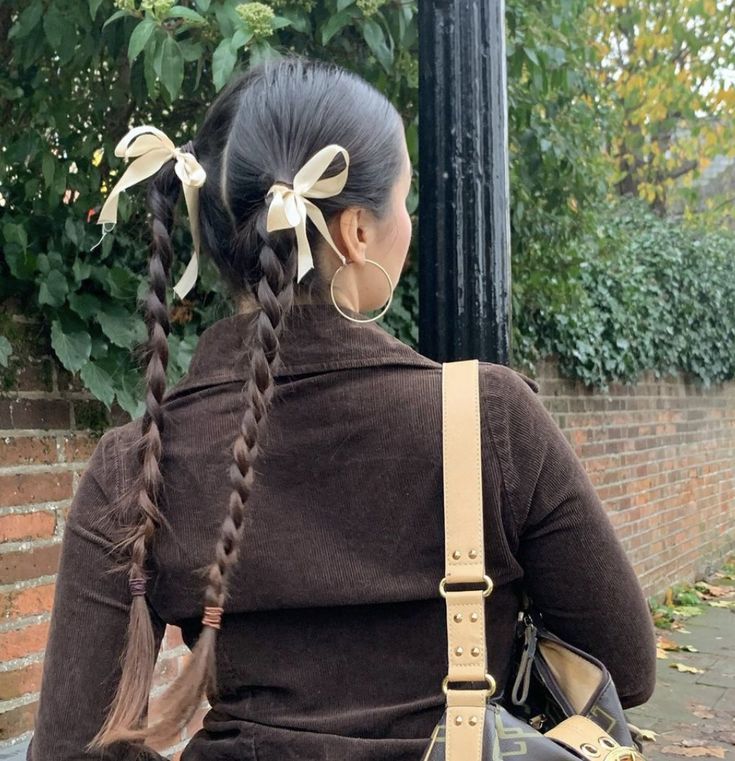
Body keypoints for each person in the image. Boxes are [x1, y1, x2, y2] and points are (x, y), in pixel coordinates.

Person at [26, 55, 656, 761]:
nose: (407, 222)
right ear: (356, 231)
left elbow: (67, 745)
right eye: (404, 197)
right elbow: (623, 668)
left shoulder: (136, 459)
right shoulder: (488, 418)